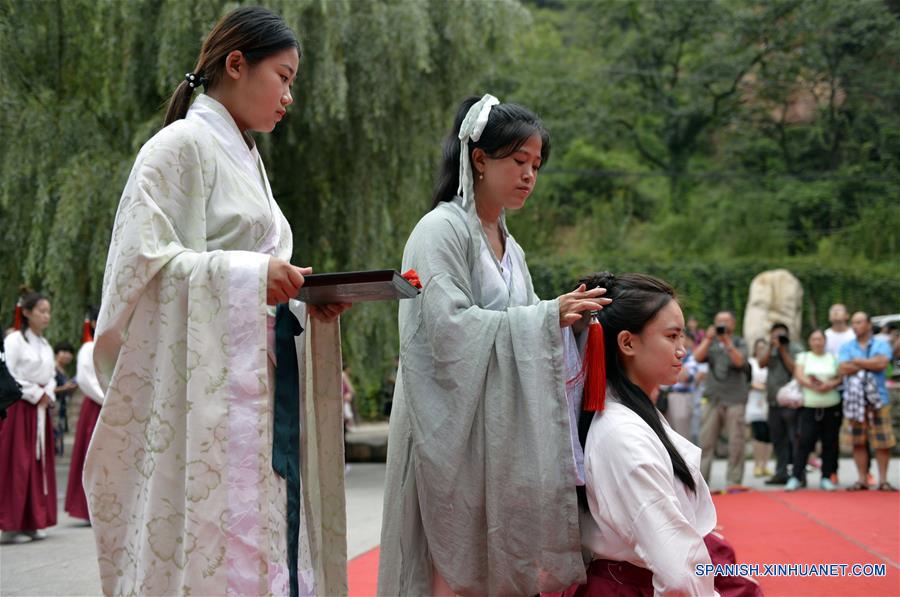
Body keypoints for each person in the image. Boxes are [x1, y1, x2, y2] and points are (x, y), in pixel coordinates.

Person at [82, 7, 350, 596]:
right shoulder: (179, 146)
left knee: (264, 542)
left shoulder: (248, 159)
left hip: (256, 388)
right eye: (283, 77)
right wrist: (252, 276)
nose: (289, 97)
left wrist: (303, 300)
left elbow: (251, 274)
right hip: (204, 398)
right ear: (235, 64)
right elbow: (141, 272)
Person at [378, 94, 608, 596]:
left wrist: (569, 320)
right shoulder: (440, 230)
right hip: (448, 427)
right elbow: (447, 330)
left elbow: (524, 323)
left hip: (496, 433)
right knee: (446, 568)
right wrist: (545, 317)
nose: (529, 175)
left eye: (536, 165)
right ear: (479, 159)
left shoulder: (511, 247)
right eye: (518, 161)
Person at [566, 272, 761, 596]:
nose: (682, 350)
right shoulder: (623, 435)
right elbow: (678, 575)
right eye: (672, 336)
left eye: (682, 337)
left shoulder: (627, 418)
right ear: (628, 343)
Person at [0, 291, 57, 544]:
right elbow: (8, 373)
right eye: (41, 311)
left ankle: (33, 521)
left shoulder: (44, 344)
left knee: (37, 464)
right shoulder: (14, 341)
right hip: (19, 409)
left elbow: (51, 375)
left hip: (39, 410)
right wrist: (35, 393)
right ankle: (10, 525)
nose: (46, 316)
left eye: (48, 311)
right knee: (17, 465)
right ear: (26, 312)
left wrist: (48, 392)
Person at [838, 312, 896, 491]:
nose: (855, 326)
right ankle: (862, 479)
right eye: (853, 323)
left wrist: (857, 362)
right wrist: (870, 362)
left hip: (878, 399)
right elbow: (843, 368)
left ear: (869, 325)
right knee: (858, 441)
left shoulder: (881, 344)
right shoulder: (847, 346)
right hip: (855, 401)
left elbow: (882, 364)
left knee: (882, 442)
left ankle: (883, 480)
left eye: (859, 322)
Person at [695, 311, 749, 487]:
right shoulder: (710, 342)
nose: (723, 324)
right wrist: (708, 339)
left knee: (736, 441)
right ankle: (701, 482)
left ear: (733, 323)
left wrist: (727, 342)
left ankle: (734, 481)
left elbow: (740, 362)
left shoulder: (739, 342)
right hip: (713, 397)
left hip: (735, 398)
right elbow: (697, 357)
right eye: (719, 321)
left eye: (726, 321)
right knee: (706, 441)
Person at [787, 329, 842, 491]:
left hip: (831, 404)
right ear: (809, 341)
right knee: (804, 442)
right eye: (814, 339)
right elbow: (799, 375)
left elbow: (840, 377)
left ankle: (826, 476)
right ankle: (796, 476)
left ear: (825, 341)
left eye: (820, 339)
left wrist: (829, 385)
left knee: (830, 442)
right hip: (809, 405)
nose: (817, 342)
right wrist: (814, 386)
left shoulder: (833, 358)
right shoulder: (804, 357)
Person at [64, 308, 103, 521]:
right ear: (94, 323)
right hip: (97, 406)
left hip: (108, 403)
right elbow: (85, 380)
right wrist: (107, 400)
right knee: (92, 454)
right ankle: (87, 508)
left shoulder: (110, 344)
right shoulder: (88, 348)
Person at [759, 322, 802, 485]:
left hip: (791, 402)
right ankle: (781, 473)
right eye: (775, 335)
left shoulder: (795, 348)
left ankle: (799, 474)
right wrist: (771, 347)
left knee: (795, 439)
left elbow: (795, 369)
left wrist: (783, 350)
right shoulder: (770, 348)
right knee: (778, 440)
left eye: (781, 335)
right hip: (773, 402)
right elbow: (761, 363)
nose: (778, 338)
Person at [746, 339, 772, 478]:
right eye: (759, 347)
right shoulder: (750, 362)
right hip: (754, 401)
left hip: (769, 401)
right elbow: (747, 381)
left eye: (764, 347)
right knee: (759, 432)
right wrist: (760, 386)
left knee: (769, 434)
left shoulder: (771, 362)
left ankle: (765, 465)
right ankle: (757, 464)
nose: (761, 350)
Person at [52, 341, 77, 452]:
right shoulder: (52, 368)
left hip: (61, 408)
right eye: (64, 351)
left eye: (70, 353)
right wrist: (65, 388)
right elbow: (47, 389)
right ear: (56, 353)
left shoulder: (62, 370)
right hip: (52, 408)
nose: (68, 355)